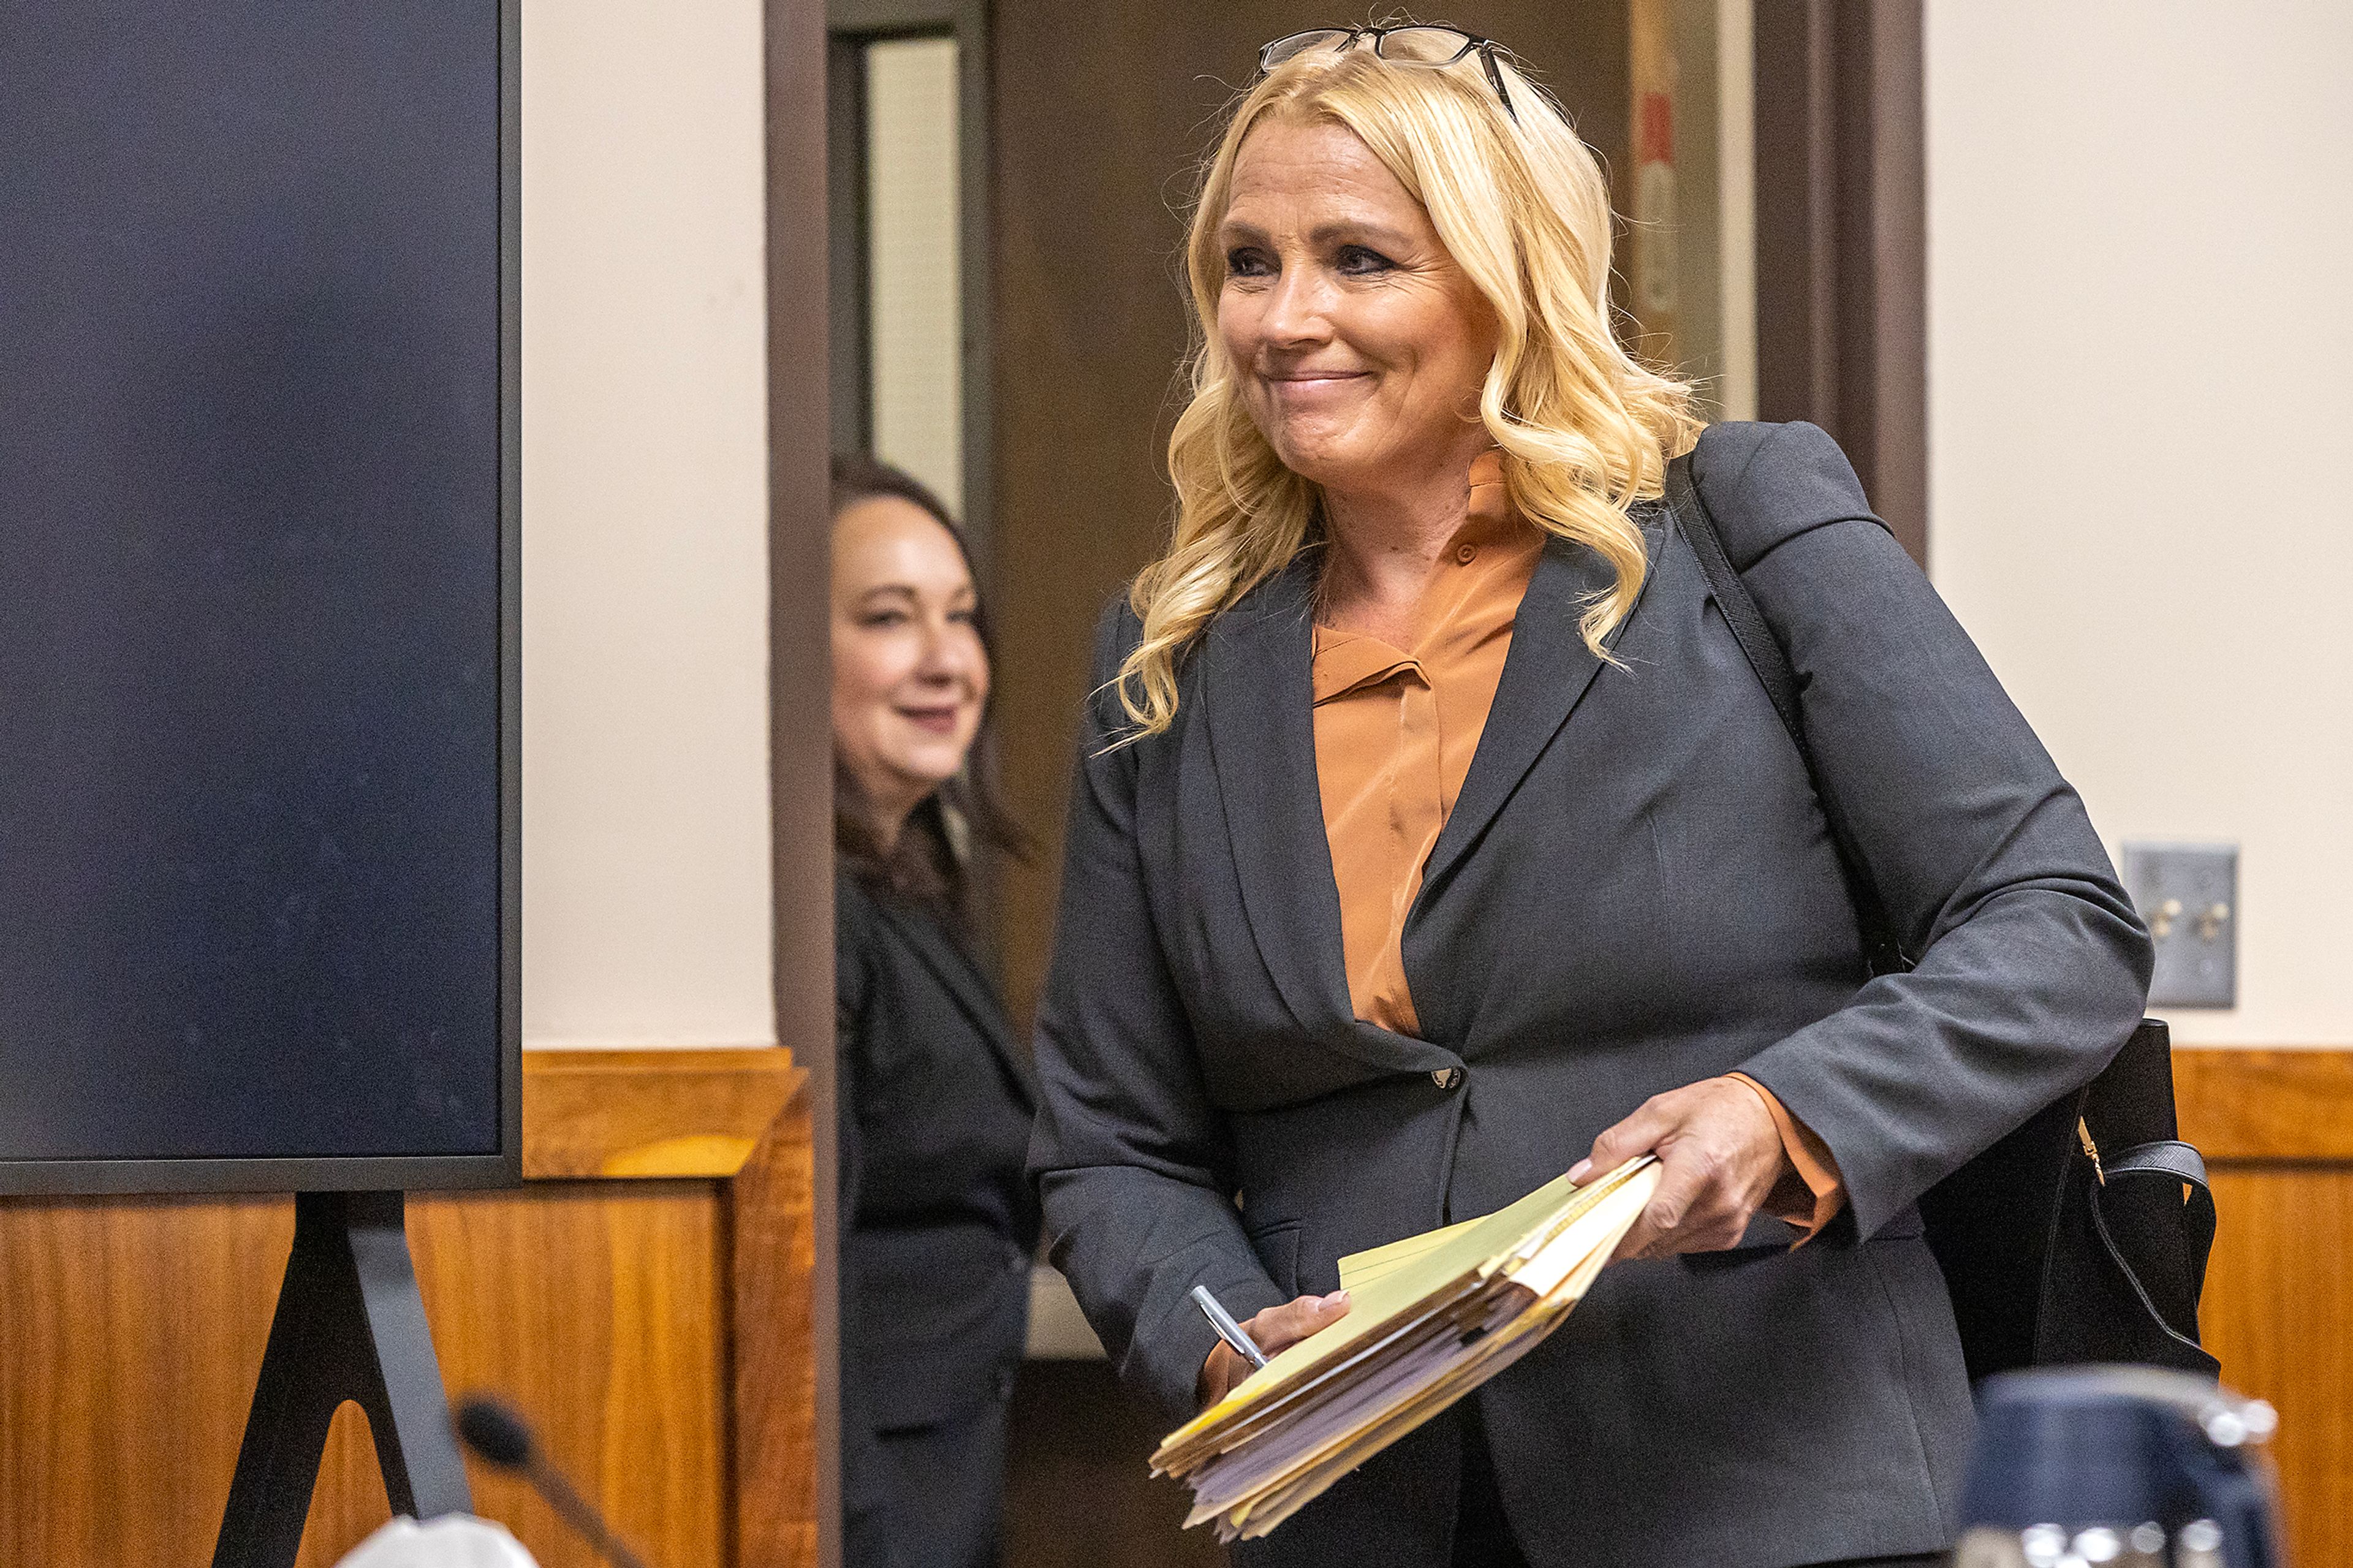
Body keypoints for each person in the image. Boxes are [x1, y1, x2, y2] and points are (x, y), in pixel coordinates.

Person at [1026, 26, 2152, 1568]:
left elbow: (2060, 926)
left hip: (1778, 1494)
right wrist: (1234, 1352)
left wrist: (1785, 1111)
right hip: (1365, 1514)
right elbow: (1111, 1145)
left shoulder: (1741, 522)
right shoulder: (1163, 661)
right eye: (1248, 263)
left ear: (1508, 279)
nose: (1287, 320)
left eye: (1360, 259)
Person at [830, 455, 1037, 1568]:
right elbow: (806, 1277)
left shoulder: (914, 876)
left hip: (952, 1468)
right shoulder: (812, 921)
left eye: (961, 617)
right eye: (888, 619)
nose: (946, 660)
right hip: (868, 1503)